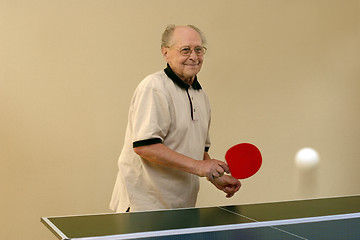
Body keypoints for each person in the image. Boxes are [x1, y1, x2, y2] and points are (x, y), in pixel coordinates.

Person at [110, 24, 241, 213]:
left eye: (199, 50)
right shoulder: (154, 87)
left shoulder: (201, 95)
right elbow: (145, 146)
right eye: (185, 50)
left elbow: (197, 152)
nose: (194, 56)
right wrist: (199, 167)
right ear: (165, 53)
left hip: (181, 207)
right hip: (145, 208)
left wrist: (214, 177)